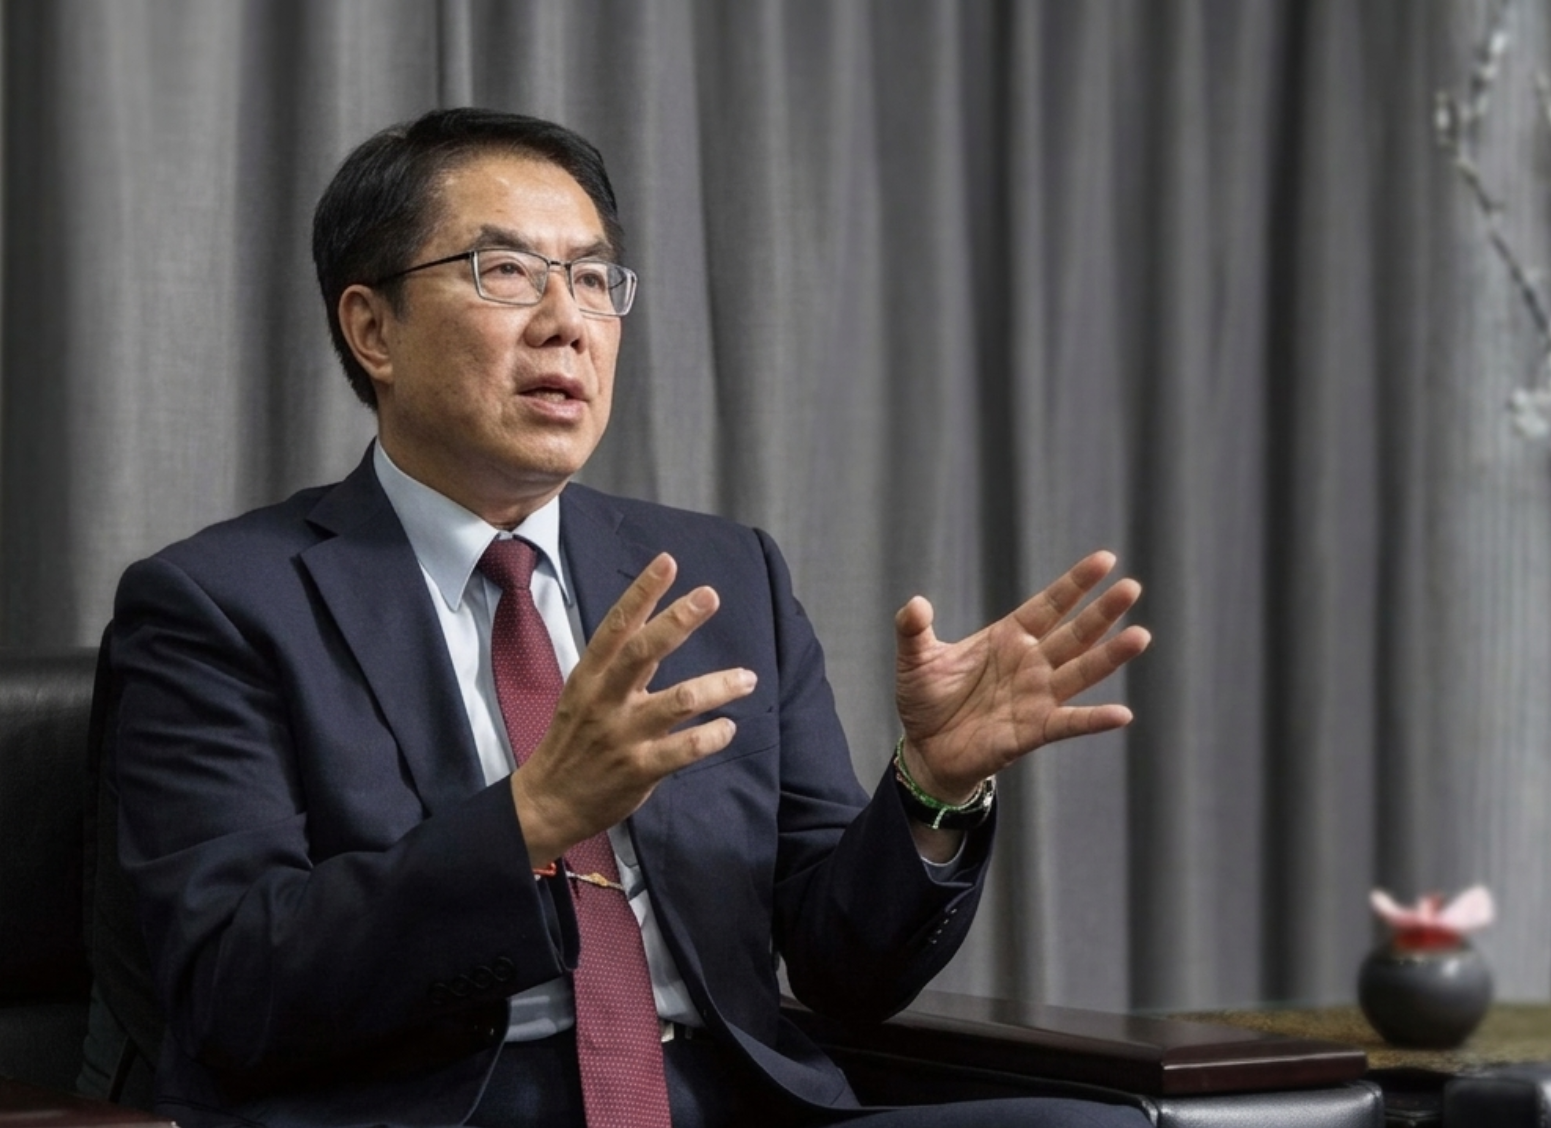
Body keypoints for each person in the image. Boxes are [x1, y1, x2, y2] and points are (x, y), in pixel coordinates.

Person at [95, 107, 1152, 1127]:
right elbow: (233, 984)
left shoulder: (721, 575)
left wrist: (931, 787)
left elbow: (846, 972)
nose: (568, 323)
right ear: (372, 328)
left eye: (594, 280)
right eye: (506, 272)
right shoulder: (219, 605)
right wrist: (530, 819)